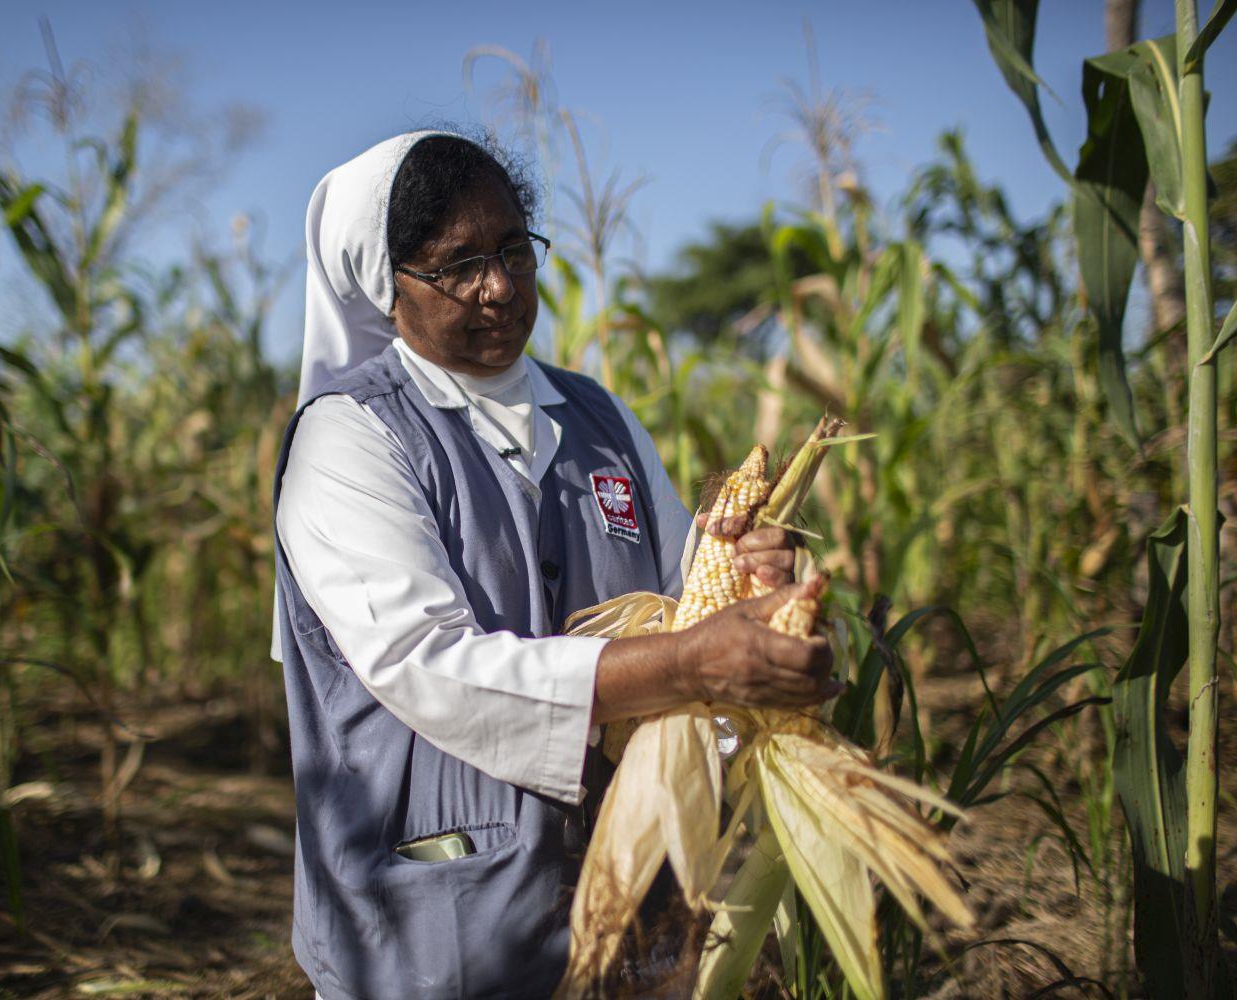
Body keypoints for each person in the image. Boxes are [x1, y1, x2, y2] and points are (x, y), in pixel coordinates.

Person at [271, 130, 836, 999]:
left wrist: (757, 588)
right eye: (456, 265)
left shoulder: (600, 417)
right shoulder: (350, 437)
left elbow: (687, 599)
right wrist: (690, 662)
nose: (497, 286)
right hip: (439, 924)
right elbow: (431, 665)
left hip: (629, 905)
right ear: (387, 286)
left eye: (510, 250)